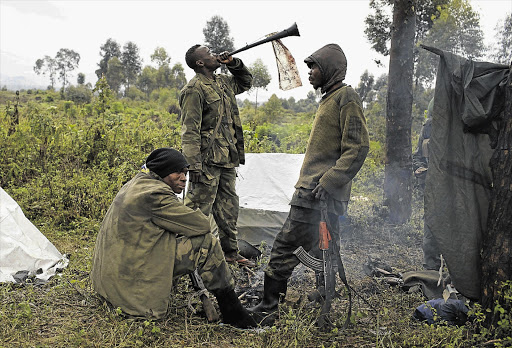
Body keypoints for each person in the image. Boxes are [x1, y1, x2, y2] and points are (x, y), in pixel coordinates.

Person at [249, 44, 370, 321]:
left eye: (314, 67)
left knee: (283, 249)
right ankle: (322, 297)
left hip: (317, 193)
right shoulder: (330, 97)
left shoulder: (346, 97)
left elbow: (358, 147)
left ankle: (269, 308)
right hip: (316, 192)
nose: (310, 72)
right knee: (321, 249)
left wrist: (329, 180)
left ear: (329, 69)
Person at [90, 148, 256, 329]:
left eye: (185, 173)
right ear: (162, 171)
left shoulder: (136, 184)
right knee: (206, 244)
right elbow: (202, 226)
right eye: (178, 172)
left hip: (112, 281)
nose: (184, 178)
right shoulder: (156, 195)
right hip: (130, 289)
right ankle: (234, 312)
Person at [179, 45, 255, 267]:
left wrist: (233, 63)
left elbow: (246, 82)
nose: (215, 54)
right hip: (206, 162)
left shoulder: (223, 82)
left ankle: (230, 253)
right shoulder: (193, 89)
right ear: (200, 63)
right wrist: (193, 167)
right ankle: (188, 257)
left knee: (229, 208)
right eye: (209, 53)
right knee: (196, 212)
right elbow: (189, 131)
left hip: (227, 159)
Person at [412, 98, 442, 270]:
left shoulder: (457, 130)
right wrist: (419, 168)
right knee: (430, 227)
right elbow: (417, 156)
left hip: (453, 189)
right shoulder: (427, 128)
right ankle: (431, 269)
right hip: (430, 186)